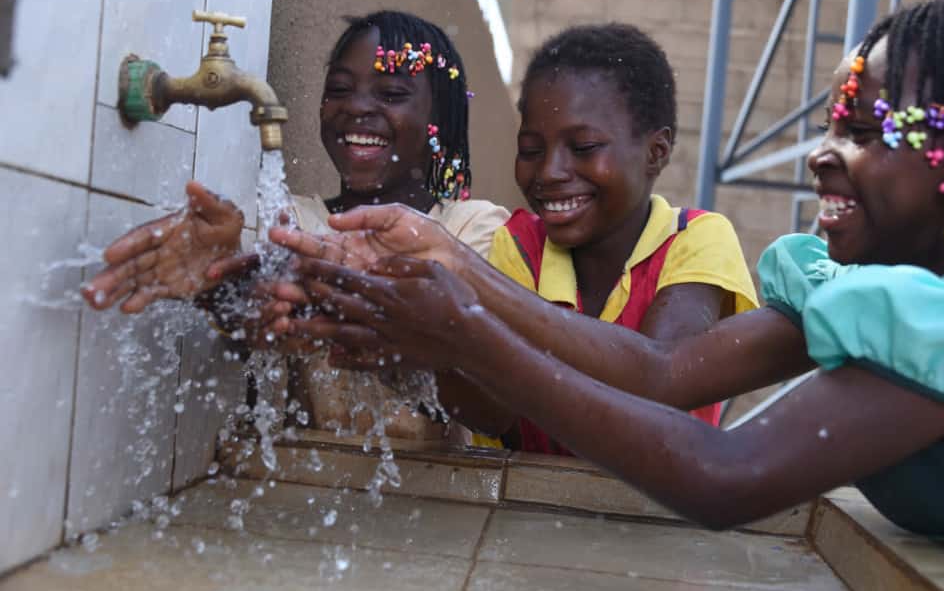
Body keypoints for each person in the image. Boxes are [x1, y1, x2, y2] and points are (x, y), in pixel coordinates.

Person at [271, 0, 944, 562]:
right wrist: (448, 272)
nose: (821, 155)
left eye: (860, 134)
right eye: (829, 128)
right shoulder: (858, 290)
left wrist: (463, 322)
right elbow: (666, 373)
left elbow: (727, 475)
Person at [278, 23, 758, 455]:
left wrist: (467, 275)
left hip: (658, 522)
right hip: (518, 510)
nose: (549, 172)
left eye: (584, 148)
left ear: (656, 152)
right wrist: (398, 346)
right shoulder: (518, 245)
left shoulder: (694, 237)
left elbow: (662, 379)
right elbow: (495, 415)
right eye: (530, 150)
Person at [81, 10, 510, 442]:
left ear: (443, 120)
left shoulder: (472, 230)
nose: (358, 106)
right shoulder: (290, 217)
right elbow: (255, 312)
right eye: (340, 89)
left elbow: (492, 407)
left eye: (393, 93)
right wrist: (220, 283)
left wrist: (347, 312)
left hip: (441, 491)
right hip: (309, 485)